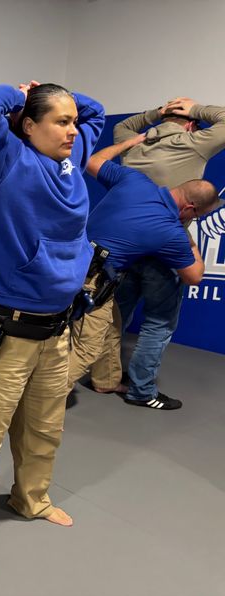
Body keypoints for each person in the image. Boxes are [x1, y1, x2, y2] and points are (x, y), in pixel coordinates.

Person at [0, 81, 104, 576]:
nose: (74, 129)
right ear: (29, 125)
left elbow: (97, 112)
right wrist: (24, 90)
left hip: (55, 333)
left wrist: (64, 96)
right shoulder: (3, 158)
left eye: (73, 121)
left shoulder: (72, 159)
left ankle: (30, 499)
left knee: (43, 432)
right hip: (1, 333)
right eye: (61, 121)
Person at [89, 98, 225, 408]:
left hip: (124, 249)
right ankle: (141, 390)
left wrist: (156, 114)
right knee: (159, 322)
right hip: (168, 243)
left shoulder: (135, 144)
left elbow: (123, 126)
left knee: (114, 315)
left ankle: (104, 378)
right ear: (190, 125)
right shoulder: (193, 143)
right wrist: (195, 108)